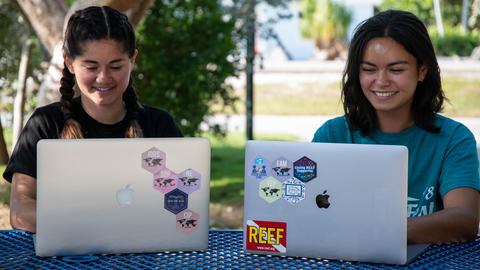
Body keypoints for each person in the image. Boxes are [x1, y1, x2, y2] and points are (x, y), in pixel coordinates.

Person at [3, 6, 183, 233]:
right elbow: (21, 213)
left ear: (132, 60)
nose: (103, 78)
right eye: (91, 66)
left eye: (116, 66)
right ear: (69, 63)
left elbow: (183, 205)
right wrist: (100, 223)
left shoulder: (159, 125)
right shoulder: (46, 124)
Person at [312, 10, 479, 244]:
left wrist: (375, 230)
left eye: (396, 70)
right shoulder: (333, 135)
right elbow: (311, 213)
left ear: (422, 71)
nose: (381, 81)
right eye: (369, 69)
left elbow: (464, 220)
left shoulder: (453, 139)